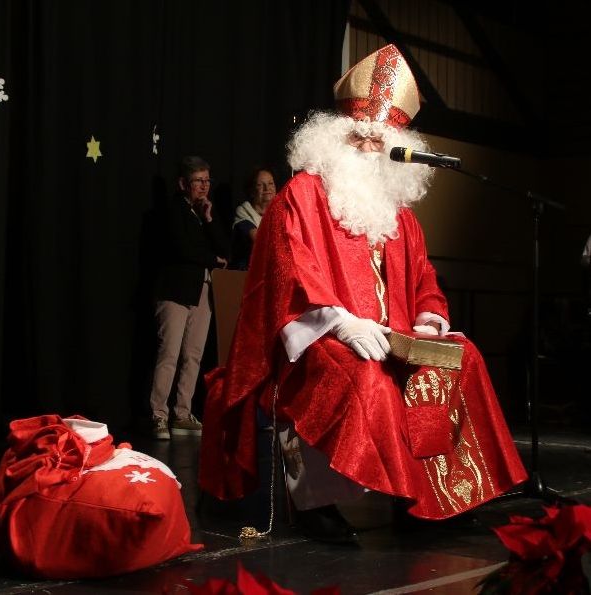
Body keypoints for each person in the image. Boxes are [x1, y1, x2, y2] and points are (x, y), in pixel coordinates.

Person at [199, 45, 527, 543]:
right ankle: (317, 503)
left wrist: (428, 322)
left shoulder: (400, 216)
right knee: (360, 375)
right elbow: (287, 275)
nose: (370, 150)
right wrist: (341, 322)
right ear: (331, 139)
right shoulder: (302, 197)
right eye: (359, 138)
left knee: (463, 360)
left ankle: (435, 500)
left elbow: (424, 282)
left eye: (380, 142)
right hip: (316, 339)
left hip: (393, 337)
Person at [149, 156, 229, 439]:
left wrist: (209, 219)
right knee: (169, 353)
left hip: (202, 289)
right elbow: (180, 248)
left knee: (193, 356)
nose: (204, 186)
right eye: (198, 181)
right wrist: (212, 259)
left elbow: (224, 248)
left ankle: (181, 413)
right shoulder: (173, 210)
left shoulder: (204, 212)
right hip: (175, 289)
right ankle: (159, 415)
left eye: (207, 180)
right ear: (184, 183)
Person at [229, 166, 277, 270]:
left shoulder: (279, 212)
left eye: (271, 183)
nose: (267, 189)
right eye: (260, 185)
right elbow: (258, 240)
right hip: (246, 274)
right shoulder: (244, 210)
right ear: (251, 191)